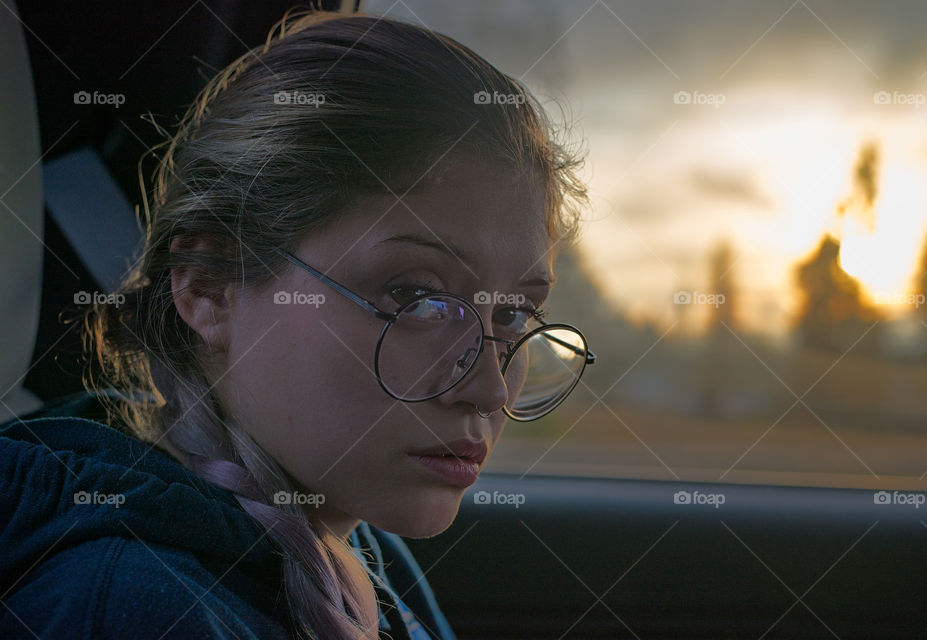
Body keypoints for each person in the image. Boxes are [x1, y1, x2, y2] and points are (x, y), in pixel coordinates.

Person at [0, 8, 593, 639]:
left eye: (514, 313)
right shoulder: (133, 607)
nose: (489, 391)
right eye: (415, 296)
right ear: (207, 286)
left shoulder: (354, 550)